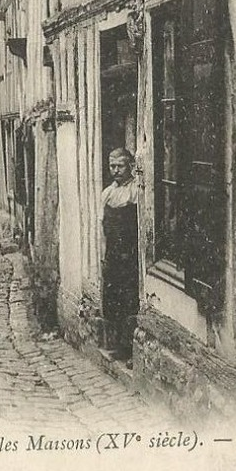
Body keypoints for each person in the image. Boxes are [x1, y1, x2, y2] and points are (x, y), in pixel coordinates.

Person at [101, 147, 139, 362]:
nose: (115, 170)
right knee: (113, 298)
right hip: (114, 253)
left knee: (129, 298)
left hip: (130, 253)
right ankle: (118, 345)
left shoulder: (134, 191)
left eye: (120, 166)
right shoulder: (107, 193)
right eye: (112, 166)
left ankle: (131, 348)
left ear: (130, 166)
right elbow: (103, 227)